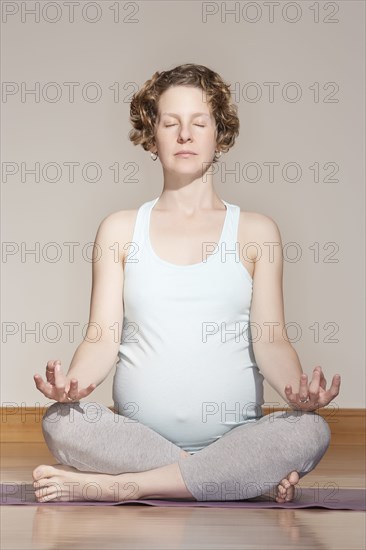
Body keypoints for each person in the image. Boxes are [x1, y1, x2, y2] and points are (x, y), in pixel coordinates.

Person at [32, 63, 341, 503]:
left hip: (233, 437)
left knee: (310, 430)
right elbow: (100, 340)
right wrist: (73, 385)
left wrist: (301, 395)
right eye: (170, 123)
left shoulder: (256, 232)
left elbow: (272, 342)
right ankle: (230, 479)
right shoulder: (120, 230)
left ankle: (124, 487)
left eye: (199, 123)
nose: (185, 135)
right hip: (138, 440)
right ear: (151, 134)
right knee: (60, 420)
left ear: (221, 134)